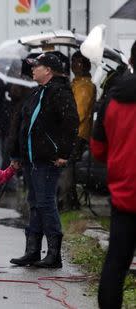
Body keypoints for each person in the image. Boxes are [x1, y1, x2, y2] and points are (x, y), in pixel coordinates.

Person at [8, 52, 79, 268]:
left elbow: (71, 123)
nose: (32, 69)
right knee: (35, 203)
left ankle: (54, 255)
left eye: (36, 66)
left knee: (46, 203)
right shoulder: (38, 91)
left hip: (47, 160)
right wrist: (17, 154)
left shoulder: (60, 92)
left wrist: (64, 153)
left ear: (48, 70)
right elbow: (23, 125)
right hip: (31, 159)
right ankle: (33, 252)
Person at [92, 40, 136, 309]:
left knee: (116, 265)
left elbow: (98, 149)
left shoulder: (112, 99)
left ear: (130, 61)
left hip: (124, 197)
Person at [58, 51, 96, 210]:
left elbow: (79, 113)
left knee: (66, 164)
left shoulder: (85, 86)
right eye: (73, 61)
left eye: (78, 62)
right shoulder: (75, 83)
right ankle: (70, 201)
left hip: (76, 132)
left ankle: (66, 201)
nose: (74, 65)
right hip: (73, 131)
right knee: (68, 165)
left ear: (86, 64)